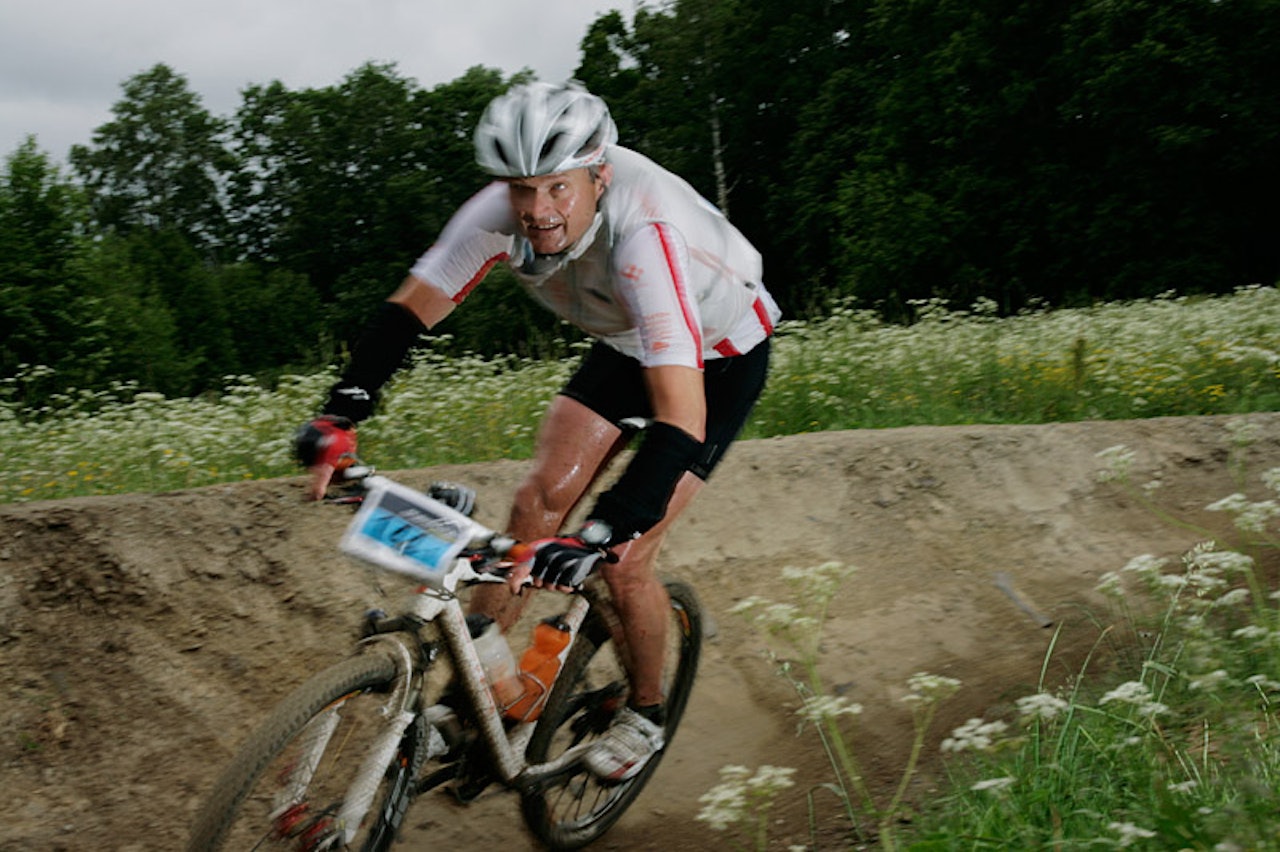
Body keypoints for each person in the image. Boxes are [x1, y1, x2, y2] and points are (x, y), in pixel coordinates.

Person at [295, 81, 780, 783]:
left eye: (558, 188)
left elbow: (681, 414)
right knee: (534, 505)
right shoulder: (500, 213)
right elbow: (409, 312)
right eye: (523, 190)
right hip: (624, 343)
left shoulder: (647, 234)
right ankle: (478, 706)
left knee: (624, 559)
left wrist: (606, 528)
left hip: (716, 357)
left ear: (599, 174)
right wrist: (338, 415)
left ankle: (645, 712)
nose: (538, 211)